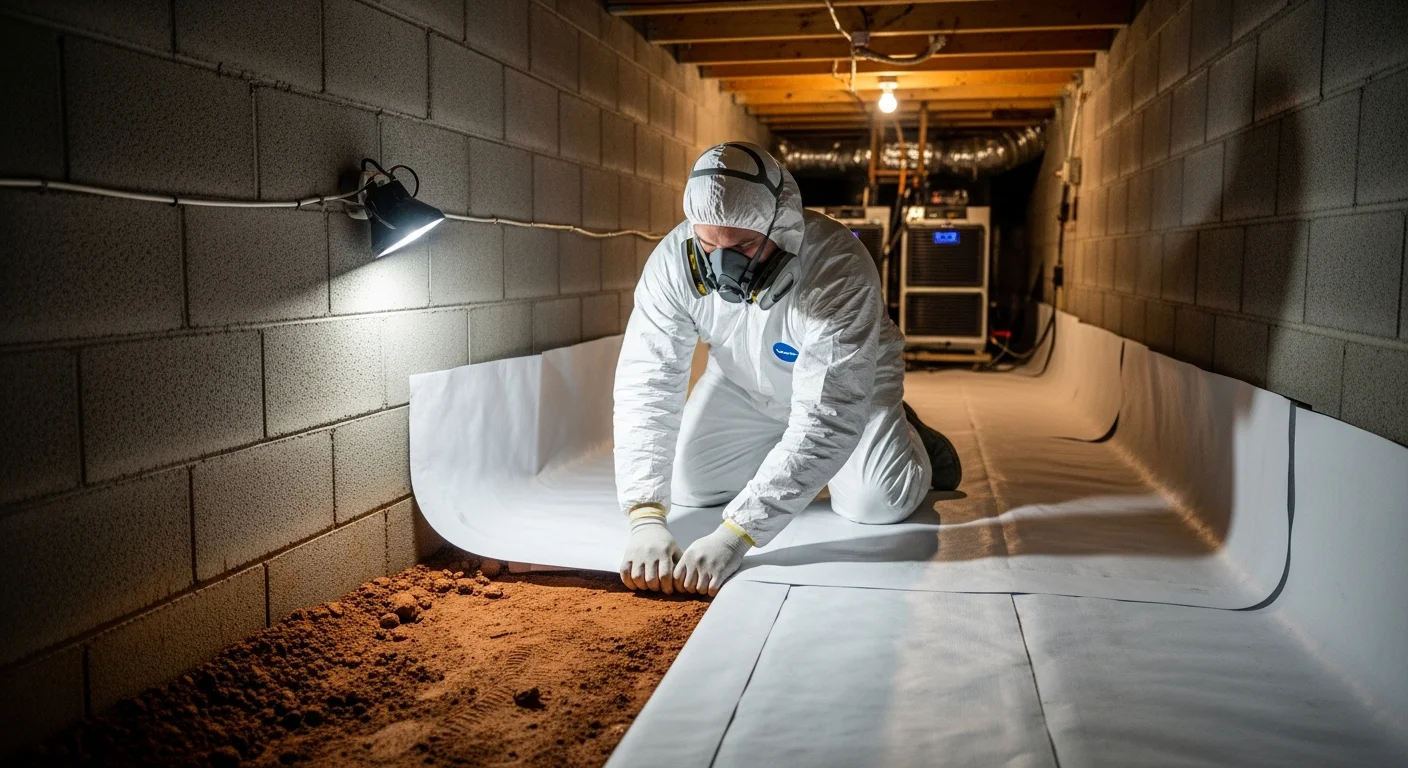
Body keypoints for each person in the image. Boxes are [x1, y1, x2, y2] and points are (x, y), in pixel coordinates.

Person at [614, 142, 961, 597]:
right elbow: (648, 381)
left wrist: (736, 535)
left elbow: (827, 414)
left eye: (743, 246)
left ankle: (909, 436)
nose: (724, 268)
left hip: (851, 387)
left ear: (784, 226)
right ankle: (785, 451)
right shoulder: (671, 266)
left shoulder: (836, 268)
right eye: (707, 244)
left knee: (877, 502)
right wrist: (644, 516)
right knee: (690, 485)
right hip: (742, 384)